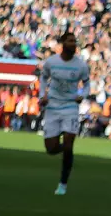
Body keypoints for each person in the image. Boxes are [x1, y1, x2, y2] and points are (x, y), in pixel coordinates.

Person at [38, 32, 89, 195]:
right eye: (70, 41)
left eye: (75, 41)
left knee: (68, 145)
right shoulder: (52, 62)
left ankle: (63, 184)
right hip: (52, 106)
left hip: (70, 107)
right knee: (51, 148)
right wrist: (42, 95)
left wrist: (83, 95)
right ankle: (65, 150)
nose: (73, 44)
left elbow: (87, 83)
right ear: (62, 43)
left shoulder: (81, 65)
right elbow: (43, 78)